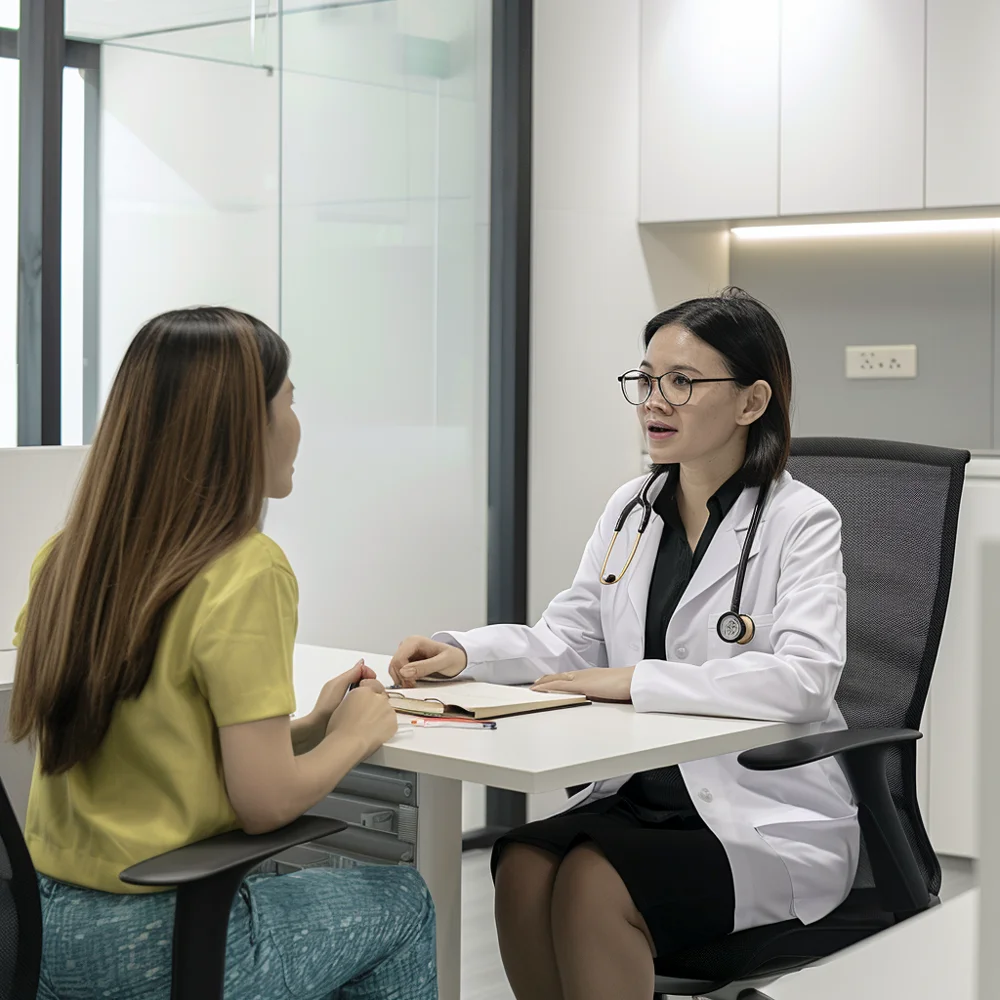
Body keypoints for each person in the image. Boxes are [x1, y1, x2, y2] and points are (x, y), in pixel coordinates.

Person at [389, 288, 858, 1000]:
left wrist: (637, 679)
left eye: (682, 382)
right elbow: (566, 640)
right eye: (646, 380)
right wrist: (463, 655)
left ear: (751, 402)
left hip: (756, 810)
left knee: (590, 881)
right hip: (640, 793)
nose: (653, 402)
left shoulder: (802, 520)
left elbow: (804, 681)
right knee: (520, 863)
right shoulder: (632, 509)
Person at [10, 307, 437, 1000]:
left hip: (45, 936)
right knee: (402, 899)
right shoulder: (246, 568)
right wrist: (355, 738)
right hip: (159, 943)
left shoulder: (66, 561)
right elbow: (264, 802)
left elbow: (152, 755)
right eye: (290, 400)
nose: (298, 423)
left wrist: (312, 728)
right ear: (242, 423)